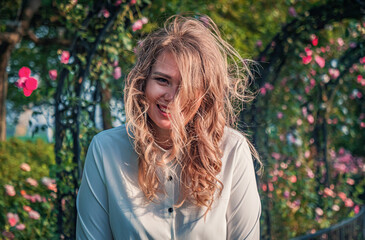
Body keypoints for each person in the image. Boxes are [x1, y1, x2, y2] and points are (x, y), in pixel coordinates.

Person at [76, 15, 261, 240]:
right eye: (162, 80)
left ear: (205, 95)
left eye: (188, 86)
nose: (172, 98)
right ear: (143, 82)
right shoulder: (105, 150)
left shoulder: (232, 150)